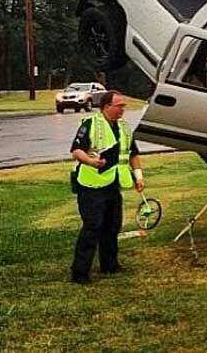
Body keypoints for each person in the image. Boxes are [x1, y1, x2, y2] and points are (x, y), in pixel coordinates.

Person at [69, 90, 145, 284]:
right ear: (106, 107)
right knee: (93, 225)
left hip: (113, 183)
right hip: (91, 184)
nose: (123, 109)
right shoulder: (91, 124)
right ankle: (80, 273)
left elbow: (132, 154)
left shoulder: (125, 128)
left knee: (112, 225)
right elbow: (76, 150)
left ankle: (109, 265)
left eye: (123, 106)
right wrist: (91, 162)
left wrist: (138, 176)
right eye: (119, 106)